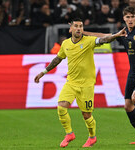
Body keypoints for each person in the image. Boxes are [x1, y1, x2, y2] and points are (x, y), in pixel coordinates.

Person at [34, 18, 127, 148]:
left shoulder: (89, 41)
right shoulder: (65, 44)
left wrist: (116, 36)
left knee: (86, 115)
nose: (79, 28)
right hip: (71, 83)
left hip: (86, 85)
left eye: (81, 26)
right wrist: (43, 72)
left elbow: (104, 39)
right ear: (70, 28)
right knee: (61, 107)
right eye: (76, 26)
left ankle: (92, 137)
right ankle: (69, 134)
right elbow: (57, 59)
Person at [84, 6, 135, 144]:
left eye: (132, 17)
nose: (130, 19)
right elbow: (104, 36)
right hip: (133, 73)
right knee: (128, 106)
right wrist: (83, 32)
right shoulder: (123, 33)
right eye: (127, 17)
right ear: (124, 18)